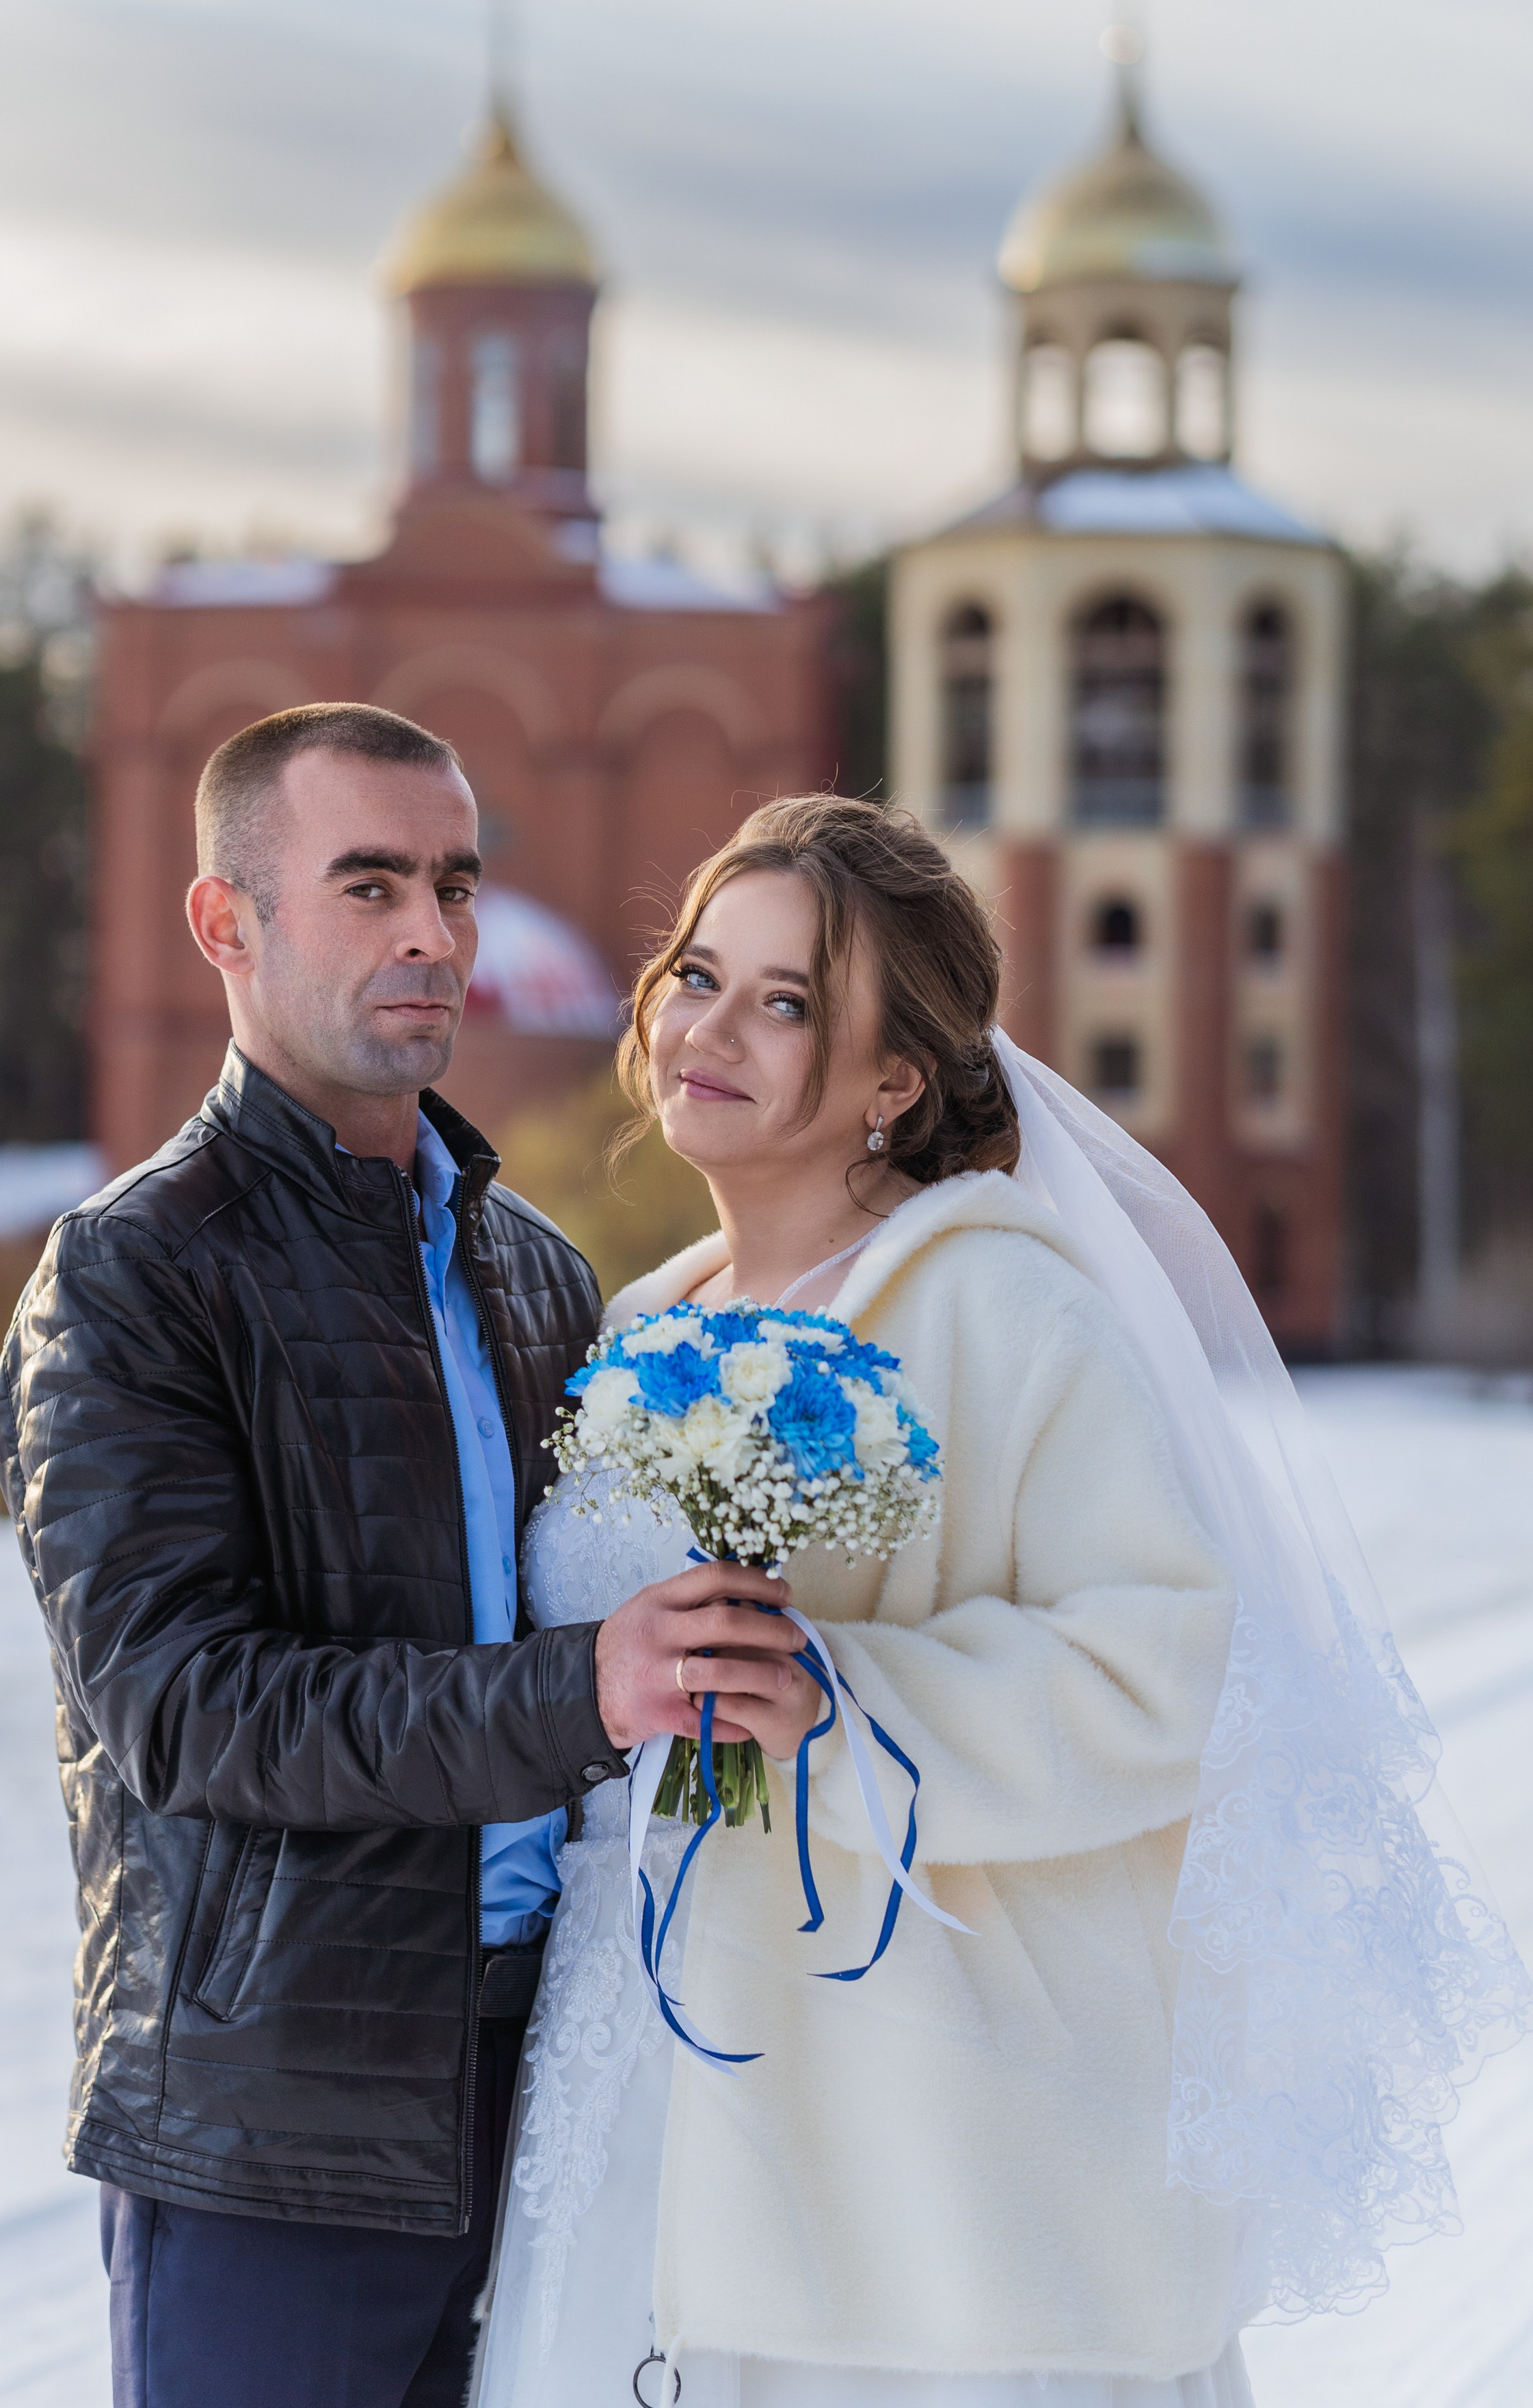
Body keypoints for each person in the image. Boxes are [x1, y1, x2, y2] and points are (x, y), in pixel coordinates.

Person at [472, 793, 1527, 2408]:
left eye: (788, 1002)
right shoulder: (632, 1323)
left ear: (895, 1077)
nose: (714, 1027)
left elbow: (1159, 1669)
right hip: (634, 2062)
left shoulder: (1002, 1299)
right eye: (698, 974)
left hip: (906, 2123)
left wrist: (839, 1704)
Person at [0, 702, 805, 2408]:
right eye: (368, 886)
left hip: (561, 2091)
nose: (434, 934)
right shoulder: (129, 1277)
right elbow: (190, 1711)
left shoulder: (537, 1274)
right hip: (276, 2130)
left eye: (453, 883)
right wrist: (586, 1690)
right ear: (228, 924)